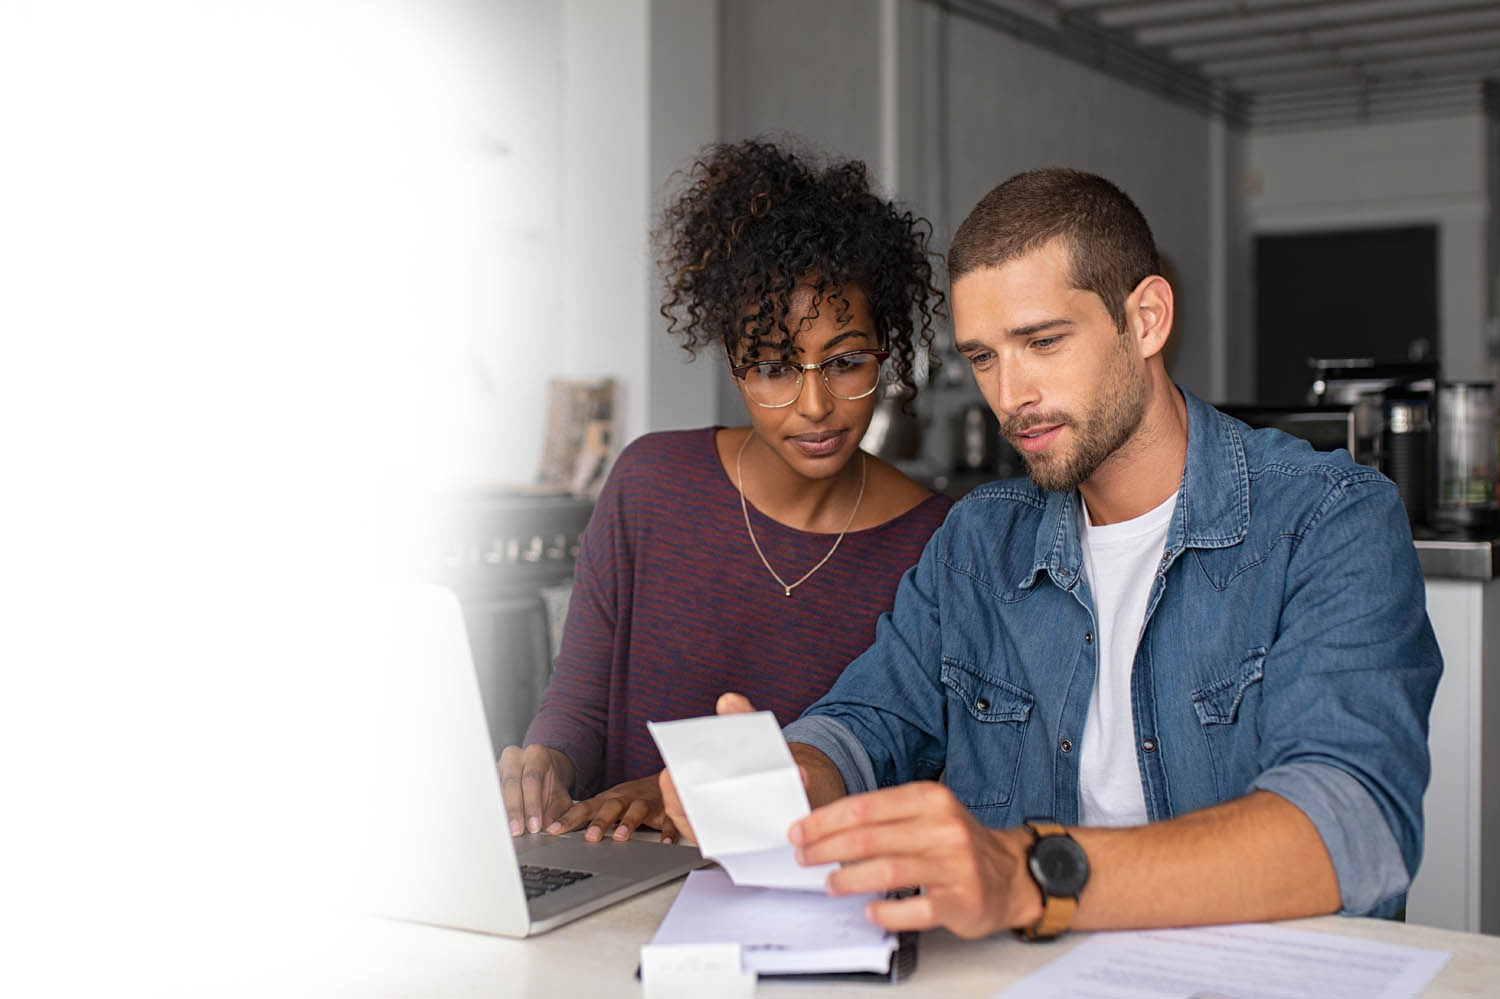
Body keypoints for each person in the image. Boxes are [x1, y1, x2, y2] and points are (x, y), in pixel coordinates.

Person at [663, 167, 1442, 938]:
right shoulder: (977, 543)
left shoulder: (1328, 519)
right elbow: (869, 719)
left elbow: (1353, 825)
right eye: (984, 356)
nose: (1010, 395)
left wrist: (1032, 874)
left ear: (1147, 319)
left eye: (1041, 342)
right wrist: (792, 775)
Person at [499, 140, 953, 844]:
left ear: (885, 355)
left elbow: (903, 765)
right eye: (773, 367)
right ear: (736, 368)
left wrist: (675, 792)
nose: (813, 404)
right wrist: (546, 763)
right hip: (617, 883)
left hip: (806, 904)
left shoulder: (935, 543)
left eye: (846, 362)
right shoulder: (649, 485)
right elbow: (581, 706)